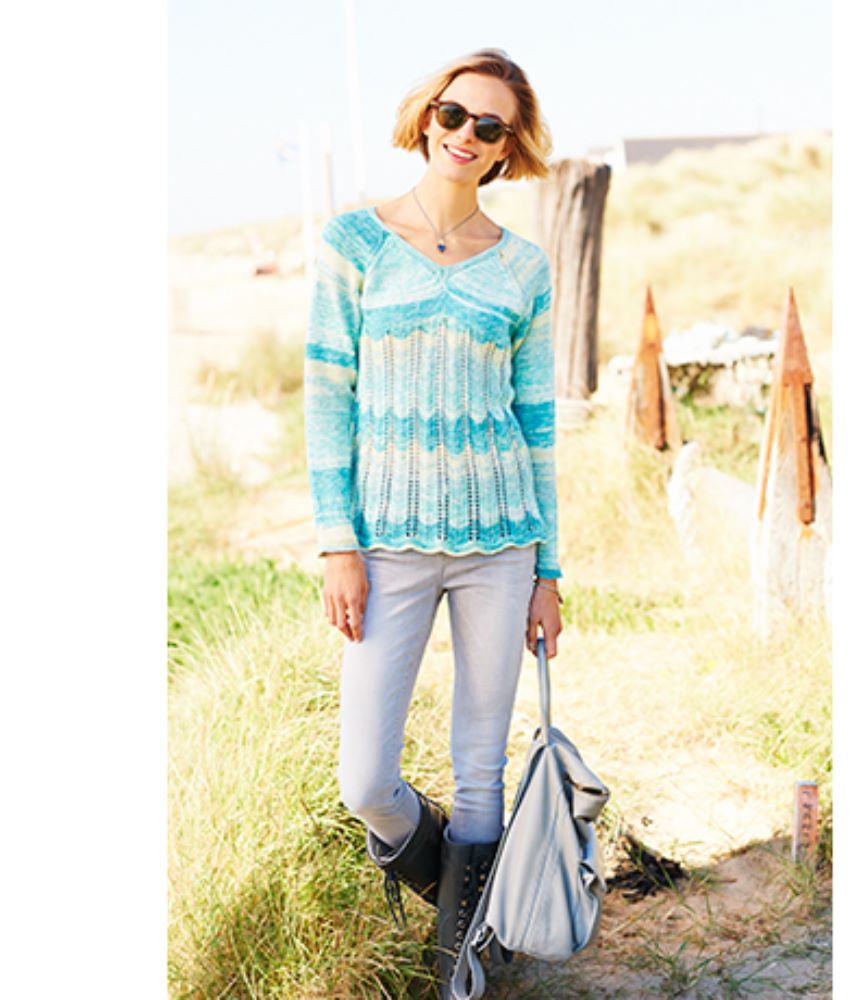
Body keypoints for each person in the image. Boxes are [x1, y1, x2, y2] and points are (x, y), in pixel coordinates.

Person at [304, 48, 562, 995]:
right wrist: (339, 542)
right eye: (454, 114)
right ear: (427, 117)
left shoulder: (524, 267)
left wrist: (549, 570)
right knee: (366, 780)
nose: (465, 135)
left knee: (481, 767)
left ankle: (464, 968)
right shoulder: (353, 244)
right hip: (386, 547)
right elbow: (326, 401)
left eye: (489, 127)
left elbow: (538, 426)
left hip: (503, 546)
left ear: (506, 150)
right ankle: (474, 895)